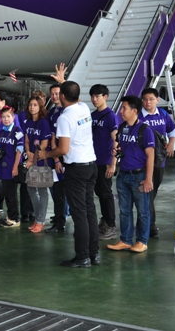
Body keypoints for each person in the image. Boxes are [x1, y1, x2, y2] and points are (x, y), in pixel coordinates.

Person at [39, 81, 98, 267]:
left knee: (79, 213)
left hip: (76, 168)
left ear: (62, 96)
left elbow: (63, 149)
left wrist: (46, 154)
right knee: (89, 210)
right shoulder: (84, 108)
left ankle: (82, 257)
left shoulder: (65, 118)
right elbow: (74, 95)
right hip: (91, 165)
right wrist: (63, 81)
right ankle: (94, 254)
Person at [107, 95, 154, 254]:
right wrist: (117, 152)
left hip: (139, 176)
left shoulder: (145, 130)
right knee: (124, 210)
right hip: (123, 175)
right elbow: (123, 148)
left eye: (124, 108)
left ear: (134, 110)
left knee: (142, 211)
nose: (121, 111)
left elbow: (150, 156)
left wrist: (148, 179)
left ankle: (142, 241)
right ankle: (126, 240)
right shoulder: (122, 128)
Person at [140, 87, 175, 239]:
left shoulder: (163, 114)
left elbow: (173, 129)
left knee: (152, 193)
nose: (147, 102)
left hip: (159, 161)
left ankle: (144, 220)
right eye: (144, 99)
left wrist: (172, 143)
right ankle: (150, 226)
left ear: (157, 100)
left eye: (151, 99)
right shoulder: (138, 116)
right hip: (142, 162)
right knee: (147, 194)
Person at [89, 84, 119, 240]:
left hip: (105, 161)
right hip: (93, 161)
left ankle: (111, 225)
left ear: (105, 97)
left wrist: (113, 163)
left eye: (97, 96)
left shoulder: (110, 116)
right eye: (92, 96)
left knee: (106, 193)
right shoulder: (92, 115)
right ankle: (105, 220)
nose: (94, 99)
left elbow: (116, 141)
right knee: (99, 193)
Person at [22, 96, 52, 233]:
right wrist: (28, 152)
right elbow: (27, 140)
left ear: (40, 107)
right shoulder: (28, 122)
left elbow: (44, 144)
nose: (32, 107)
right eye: (30, 104)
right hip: (31, 159)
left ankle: (40, 220)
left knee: (42, 191)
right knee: (31, 188)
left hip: (41, 160)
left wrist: (32, 159)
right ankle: (38, 218)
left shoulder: (44, 122)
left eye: (35, 105)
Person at [46, 83, 67, 233]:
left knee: (63, 191)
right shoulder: (52, 112)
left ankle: (61, 220)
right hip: (55, 157)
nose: (54, 96)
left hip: (65, 157)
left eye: (57, 93)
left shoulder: (67, 111)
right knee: (56, 189)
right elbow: (51, 137)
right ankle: (59, 218)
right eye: (52, 94)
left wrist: (58, 159)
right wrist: (55, 159)